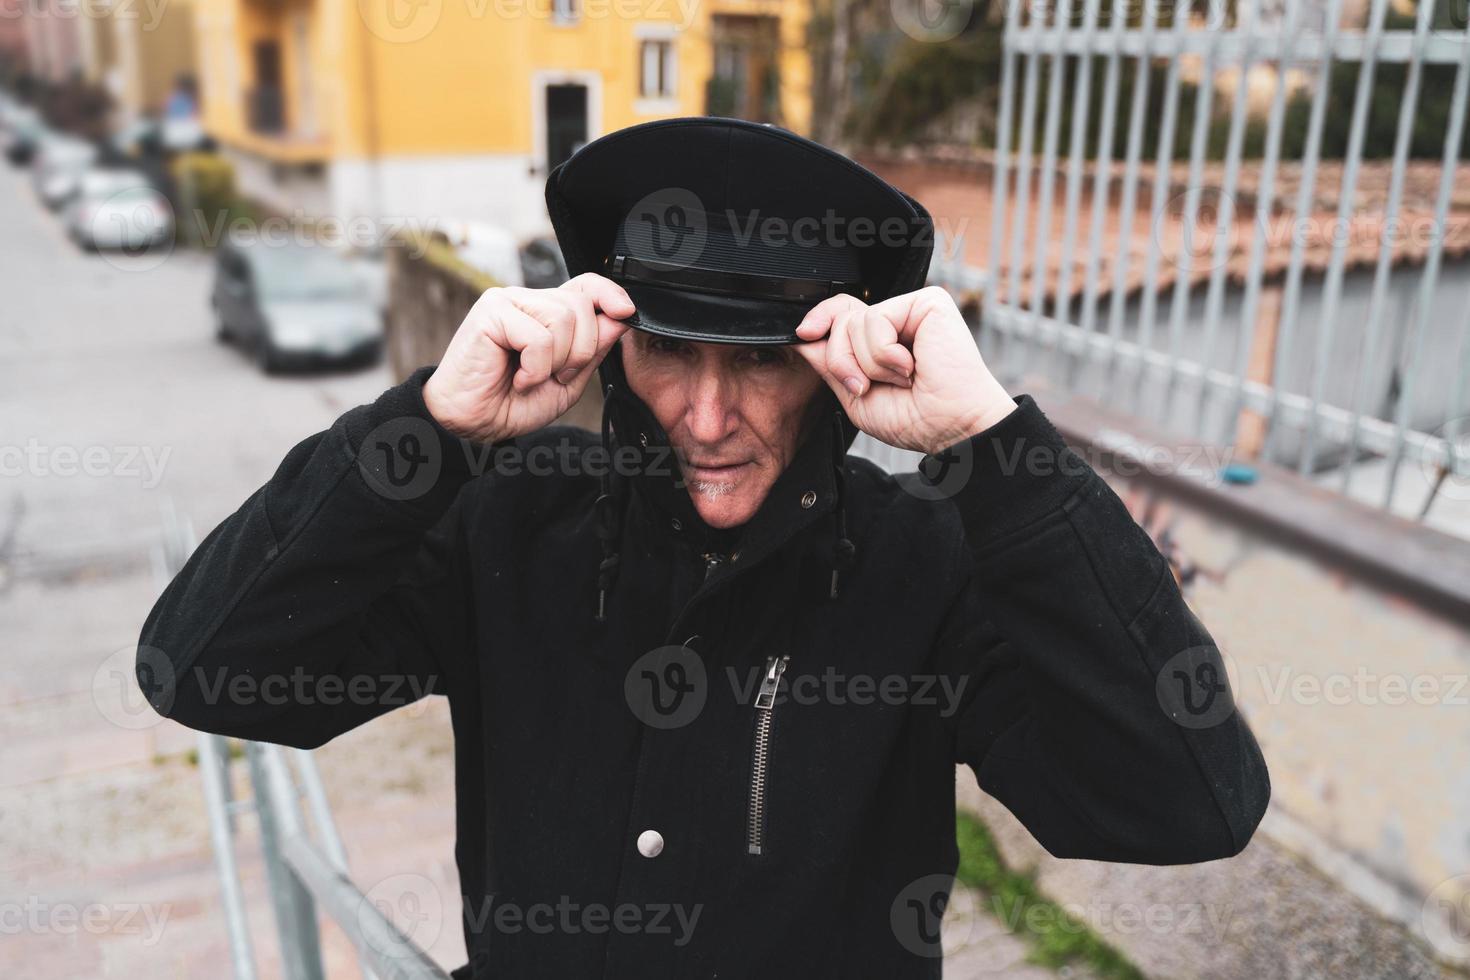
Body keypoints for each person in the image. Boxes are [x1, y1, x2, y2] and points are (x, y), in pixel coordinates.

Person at [140, 118, 1269, 978]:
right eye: (672, 349)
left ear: (833, 371)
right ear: (616, 344)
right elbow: (204, 665)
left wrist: (995, 449)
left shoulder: (928, 564)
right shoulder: (508, 522)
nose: (709, 416)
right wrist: (425, 432)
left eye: (765, 361)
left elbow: (1189, 801)